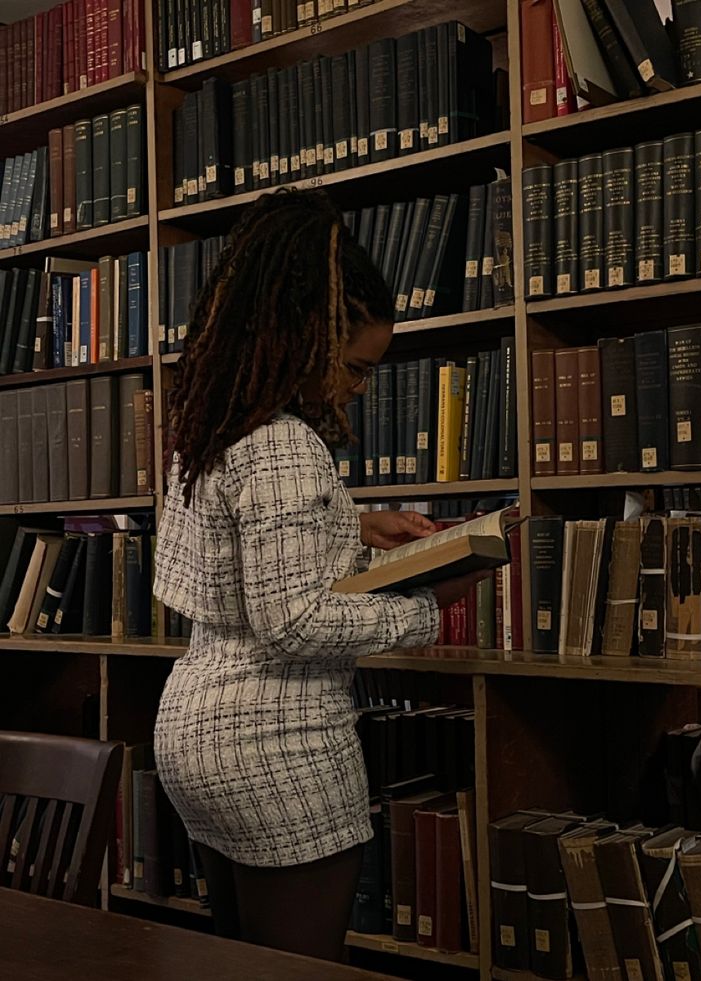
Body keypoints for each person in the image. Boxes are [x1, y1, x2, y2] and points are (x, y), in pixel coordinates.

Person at [153, 189, 485, 961]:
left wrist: (351, 527)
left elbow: (215, 566)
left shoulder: (208, 422)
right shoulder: (286, 445)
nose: (359, 389)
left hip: (196, 729)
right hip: (278, 741)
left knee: (240, 962)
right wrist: (427, 608)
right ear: (303, 334)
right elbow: (294, 621)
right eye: (354, 367)